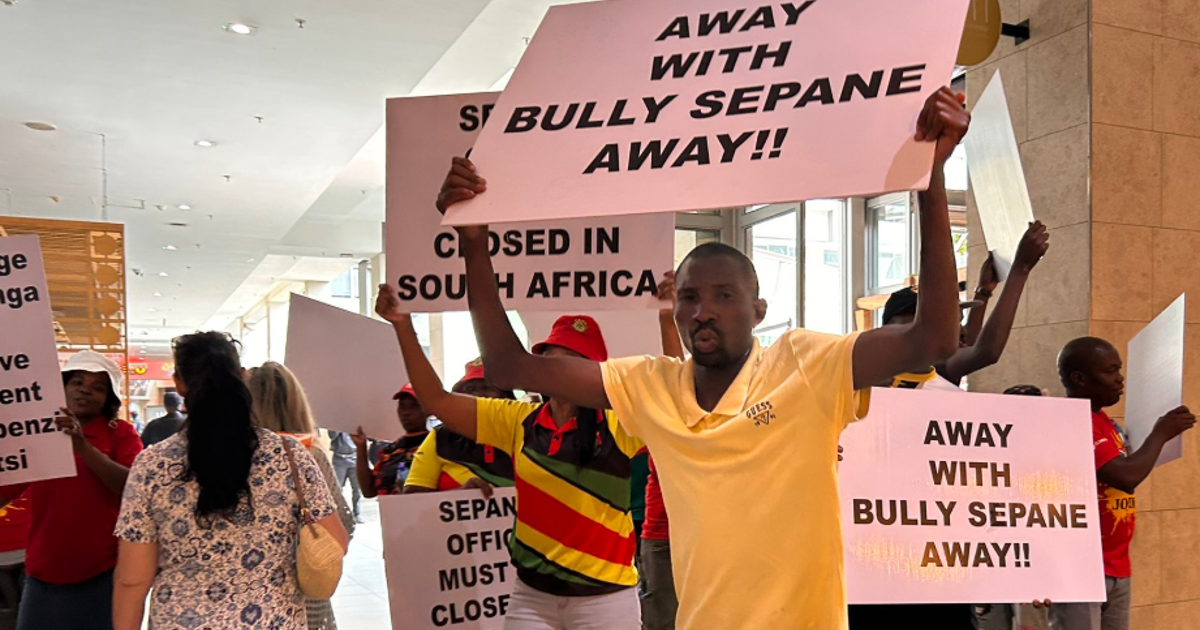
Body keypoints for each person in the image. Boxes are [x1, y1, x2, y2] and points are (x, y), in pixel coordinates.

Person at [429, 86, 969, 630]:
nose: (703, 311)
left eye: (723, 296)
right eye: (689, 296)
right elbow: (508, 367)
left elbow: (935, 339)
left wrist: (930, 181)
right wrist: (475, 243)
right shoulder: (651, 386)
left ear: (758, 309)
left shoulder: (807, 364)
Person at [374, 295, 658, 630]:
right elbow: (437, 400)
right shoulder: (516, 420)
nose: (557, 371)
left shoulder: (618, 424)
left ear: (594, 371)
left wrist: (667, 320)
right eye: (550, 360)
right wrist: (403, 326)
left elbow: (674, 402)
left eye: (571, 361)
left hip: (605, 602)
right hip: (532, 597)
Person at [112, 332, 349, 630]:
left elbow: (132, 579)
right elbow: (334, 541)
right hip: (273, 620)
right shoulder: (290, 456)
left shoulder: (151, 466)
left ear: (179, 383)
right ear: (242, 376)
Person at [1052, 337, 1195, 630]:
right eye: (1110, 371)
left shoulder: (1104, 421)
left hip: (1115, 562)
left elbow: (1129, 477)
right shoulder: (1072, 420)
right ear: (1079, 378)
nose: (1120, 379)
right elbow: (1126, 476)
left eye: (1119, 370)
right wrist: (1160, 434)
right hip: (1081, 567)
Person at [0, 351, 141, 630]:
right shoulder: (39, 432)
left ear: (109, 399)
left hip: (103, 572)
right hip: (42, 572)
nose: (85, 390)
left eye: (98, 388)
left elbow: (134, 489)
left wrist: (82, 447)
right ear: (61, 387)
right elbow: (8, 490)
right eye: (77, 382)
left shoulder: (120, 433)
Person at [248, 361, 356, 630]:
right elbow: (342, 525)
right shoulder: (309, 454)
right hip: (305, 593)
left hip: (248, 595)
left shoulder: (237, 456)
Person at [881, 220, 1050, 390]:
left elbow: (970, 344)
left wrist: (984, 290)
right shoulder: (915, 367)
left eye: (958, 321)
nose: (960, 331)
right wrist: (1021, 269)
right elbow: (984, 352)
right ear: (901, 327)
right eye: (945, 323)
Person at [403, 359, 516, 496]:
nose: (477, 395)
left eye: (486, 387)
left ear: (507, 396)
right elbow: (411, 498)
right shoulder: (441, 437)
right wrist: (459, 496)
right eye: (469, 389)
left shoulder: (526, 433)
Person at [353, 384, 432, 497]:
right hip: (390, 513)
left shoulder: (438, 445)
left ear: (428, 410)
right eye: (402, 406)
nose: (406, 412)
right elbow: (368, 491)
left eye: (414, 406)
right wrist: (361, 448)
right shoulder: (390, 451)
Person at [328, 431, 364, 523]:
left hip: (354, 457)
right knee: (337, 489)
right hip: (339, 458)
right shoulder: (335, 424)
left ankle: (357, 513)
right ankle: (340, 514)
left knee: (357, 488)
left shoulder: (354, 423)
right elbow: (332, 436)